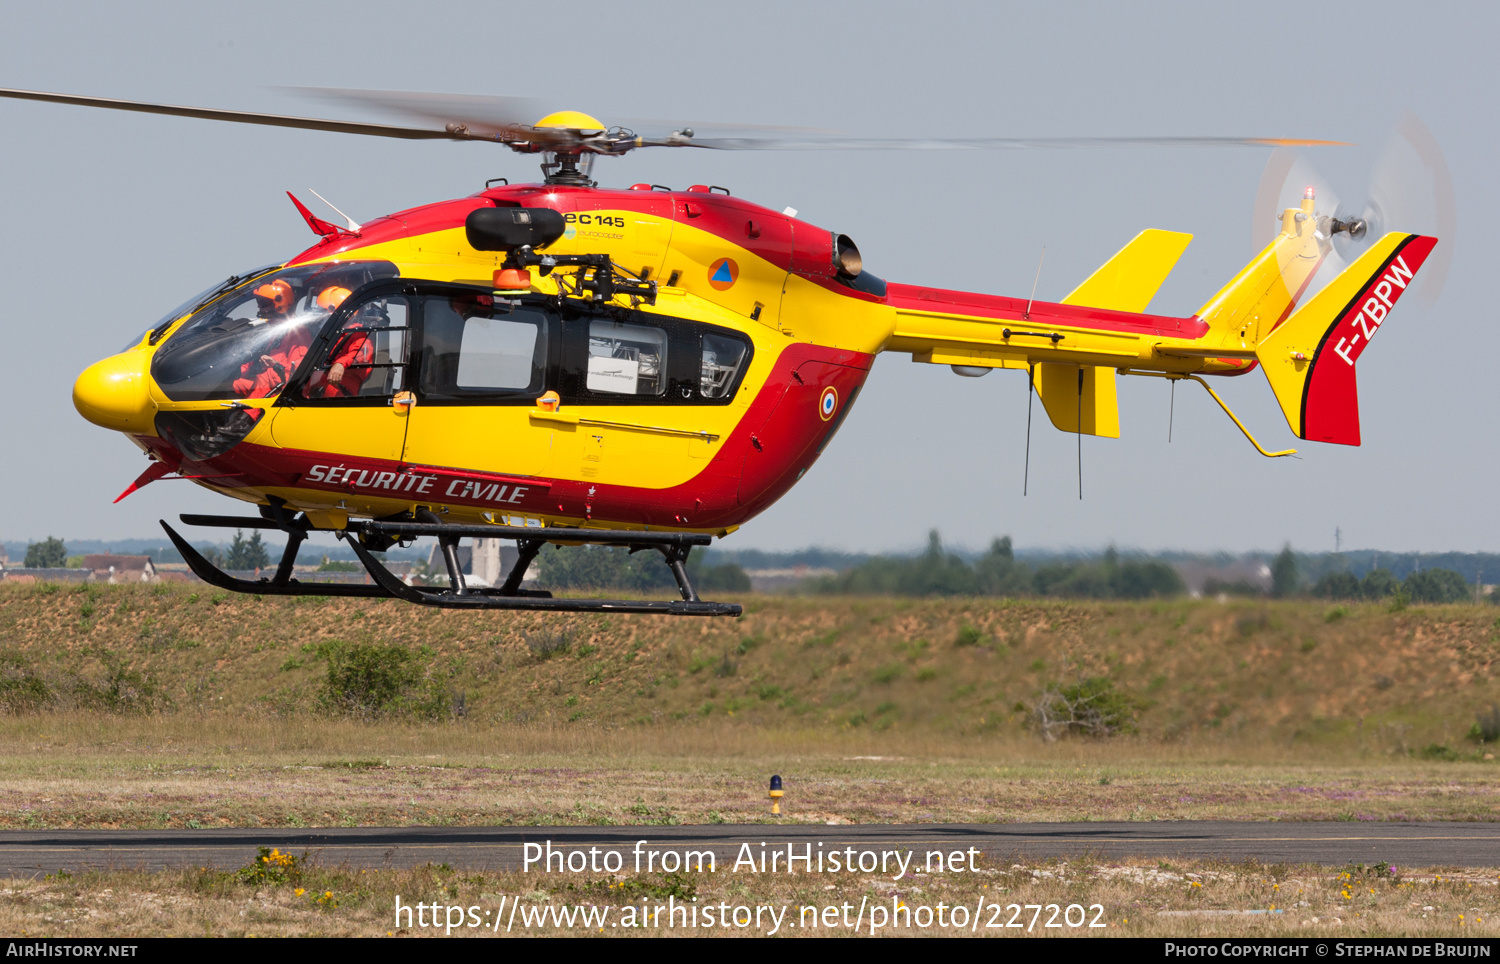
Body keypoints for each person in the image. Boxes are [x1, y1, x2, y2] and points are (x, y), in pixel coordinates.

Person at [231, 279, 313, 398]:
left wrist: (274, 365)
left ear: (280, 304)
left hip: (274, 393)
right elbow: (250, 365)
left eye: (263, 302)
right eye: (258, 301)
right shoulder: (272, 331)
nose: (259, 306)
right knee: (226, 387)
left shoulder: (298, 334)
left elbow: (295, 375)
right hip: (260, 384)